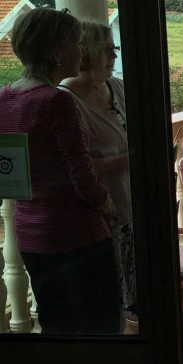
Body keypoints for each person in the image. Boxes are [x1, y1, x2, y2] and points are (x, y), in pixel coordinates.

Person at [0, 8, 119, 364]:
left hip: (32, 234)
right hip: (78, 233)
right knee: (100, 331)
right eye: (75, 43)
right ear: (57, 51)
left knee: (54, 325)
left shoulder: (1, 100)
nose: (82, 51)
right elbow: (81, 173)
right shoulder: (56, 101)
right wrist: (106, 204)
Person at [59, 20, 135, 322]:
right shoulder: (66, 101)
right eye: (106, 50)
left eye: (114, 48)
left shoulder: (117, 87)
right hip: (102, 217)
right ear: (86, 52)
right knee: (107, 304)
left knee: (134, 297)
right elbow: (74, 167)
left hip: (132, 212)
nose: (114, 55)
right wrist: (132, 159)